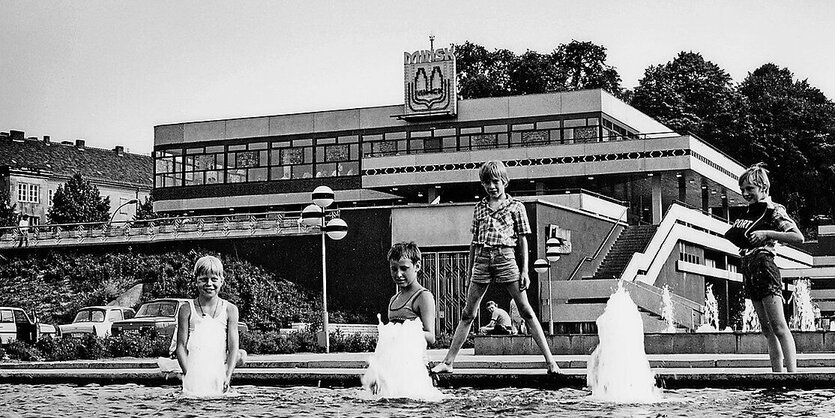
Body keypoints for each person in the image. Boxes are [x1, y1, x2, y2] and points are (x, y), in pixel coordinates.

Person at [431, 160, 560, 374]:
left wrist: (525, 271)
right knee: (467, 314)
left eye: (496, 181)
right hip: (482, 258)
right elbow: (473, 243)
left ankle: (550, 362)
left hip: (506, 256)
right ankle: (448, 362)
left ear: (505, 182)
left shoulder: (516, 207)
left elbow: (522, 240)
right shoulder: (479, 207)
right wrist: (470, 271)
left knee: (526, 310)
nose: (492, 186)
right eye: (487, 182)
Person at [724, 163, 804, 373]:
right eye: (743, 189)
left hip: (765, 264)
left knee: (779, 326)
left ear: (763, 187)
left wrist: (768, 233)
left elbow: (798, 236)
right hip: (749, 265)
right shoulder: (749, 212)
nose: (745, 193)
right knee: (767, 329)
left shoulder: (774, 210)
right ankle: (776, 374)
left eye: (750, 189)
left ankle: (792, 374)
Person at [362, 241, 441, 400]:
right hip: (392, 367)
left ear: (417, 266)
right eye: (394, 269)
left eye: (404, 268)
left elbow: (431, 336)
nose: (398, 274)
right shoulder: (393, 299)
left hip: (411, 368)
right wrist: (376, 372)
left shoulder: (422, 296)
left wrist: (403, 331)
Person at [174, 255, 247, 396]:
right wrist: (189, 375)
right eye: (203, 279)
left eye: (213, 279)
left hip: (218, 365)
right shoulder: (186, 309)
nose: (209, 284)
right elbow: (181, 346)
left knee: (240, 354)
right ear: (196, 281)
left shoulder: (230, 309)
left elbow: (233, 347)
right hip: (195, 364)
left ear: (222, 281)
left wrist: (227, 375)